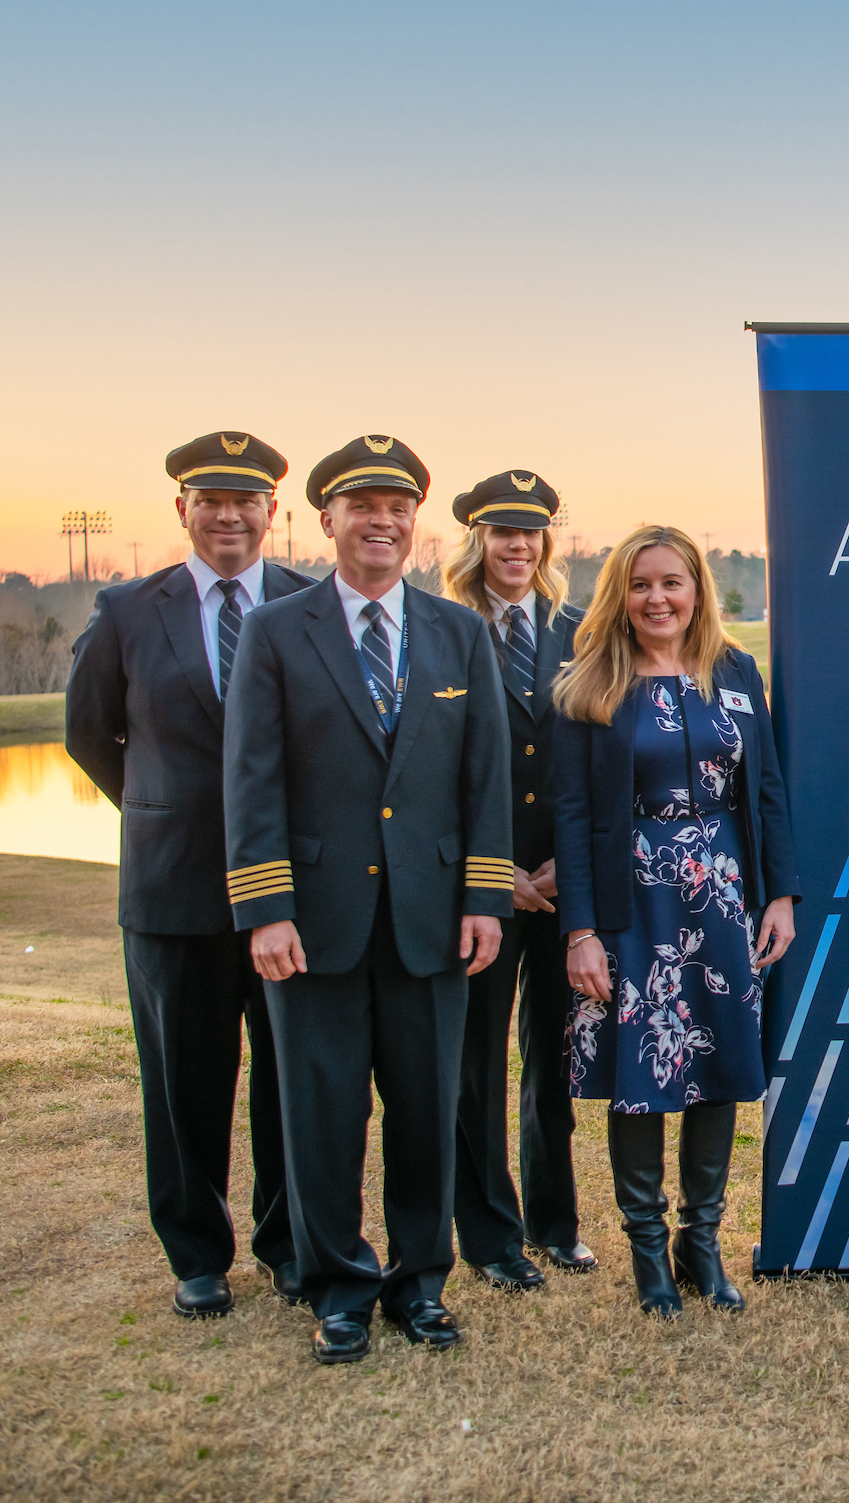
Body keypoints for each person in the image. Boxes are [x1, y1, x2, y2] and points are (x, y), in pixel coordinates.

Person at [223, 435, 513, 1365]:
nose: (381, 522)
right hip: (313, 924)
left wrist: (485, 898)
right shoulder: (276, 630)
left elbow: (486, 780)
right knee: (321, 1114)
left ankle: (420, 1285)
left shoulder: (457, 631)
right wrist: (265, 909)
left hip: (433, 922)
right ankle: (339, 1287)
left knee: (430, 1110)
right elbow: (250, 780)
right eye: (362, 507)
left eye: (397, 507)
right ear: (327, 520)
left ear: (414, 522)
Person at [64, 432, 311, 1320]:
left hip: (289, 895)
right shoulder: (131, 608)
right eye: (211, 499)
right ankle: (198, 1255)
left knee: (291, 1080)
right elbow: (89, 733)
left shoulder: (308, 602)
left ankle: (291, 1247)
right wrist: (157, 810)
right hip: (171, 894)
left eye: (247, 500)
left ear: (272, 512)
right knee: (183, 1083)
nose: (230, 515)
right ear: (182, 510)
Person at [549, 525, 799, 1318]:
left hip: (723, 899)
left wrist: (780, 895)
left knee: (720, 1060)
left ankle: (703, 1243)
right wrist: (580, 929)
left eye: (673, 583)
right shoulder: (589, 685)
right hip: (634, 906)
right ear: (620, 595)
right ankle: (649, 1255)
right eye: (641, 584)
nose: (658, 598)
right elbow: (572, 815)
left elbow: (766, 791)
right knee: (642, 1077)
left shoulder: (734, 671)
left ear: (699, 592)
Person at [440, 470, 596, 1288]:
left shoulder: (581, 632)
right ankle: (493, 1240)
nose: (518, 546)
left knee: (553, 1060)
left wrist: (571, 864)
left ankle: (555, 1224)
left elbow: (601, 757)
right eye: (502, 531)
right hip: (481, 887)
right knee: (475, 1066)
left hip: (561, 878)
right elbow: (429, 773)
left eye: (532, 531)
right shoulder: (441, 631)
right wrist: (492, 876)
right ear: (476, 539)